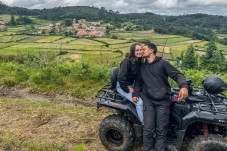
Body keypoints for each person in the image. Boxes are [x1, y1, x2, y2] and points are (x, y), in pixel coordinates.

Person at [132, 43, 188, 151]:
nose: (142, 51)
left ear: (151, 50)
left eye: (144, 49)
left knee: (161, 130)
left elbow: (178, 75)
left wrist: (184, 86)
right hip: (148, 100)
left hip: (163, 101)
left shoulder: (163, 63)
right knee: (148, 129)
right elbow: (138, 82)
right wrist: (135, 94)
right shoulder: (142, 67)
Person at [117, 43, 144, 124]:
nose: (139, 52)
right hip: (122, 85)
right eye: (137, 50)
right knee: (139, 103)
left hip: (132, 84)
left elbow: (138, 78)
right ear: (133, 51)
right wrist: (127, 89)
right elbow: (121, 77)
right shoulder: (127, 61)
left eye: (140, 50)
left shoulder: (139, 62)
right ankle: (143, 124)